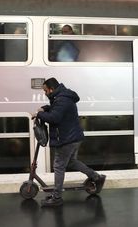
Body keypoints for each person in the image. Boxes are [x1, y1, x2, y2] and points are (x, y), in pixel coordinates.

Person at [34, 78, 105, 207]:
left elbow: (55, 117)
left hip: (67, 139)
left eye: (45, 91)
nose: (45, 93)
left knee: (59, 166)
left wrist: (39, 114)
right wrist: (45, 108)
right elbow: (56, 109)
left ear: (51, 89)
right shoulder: (62, 97)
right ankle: (96, 177)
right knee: (72, 161)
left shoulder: (62, 99)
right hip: (73, 138)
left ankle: (57, 197)